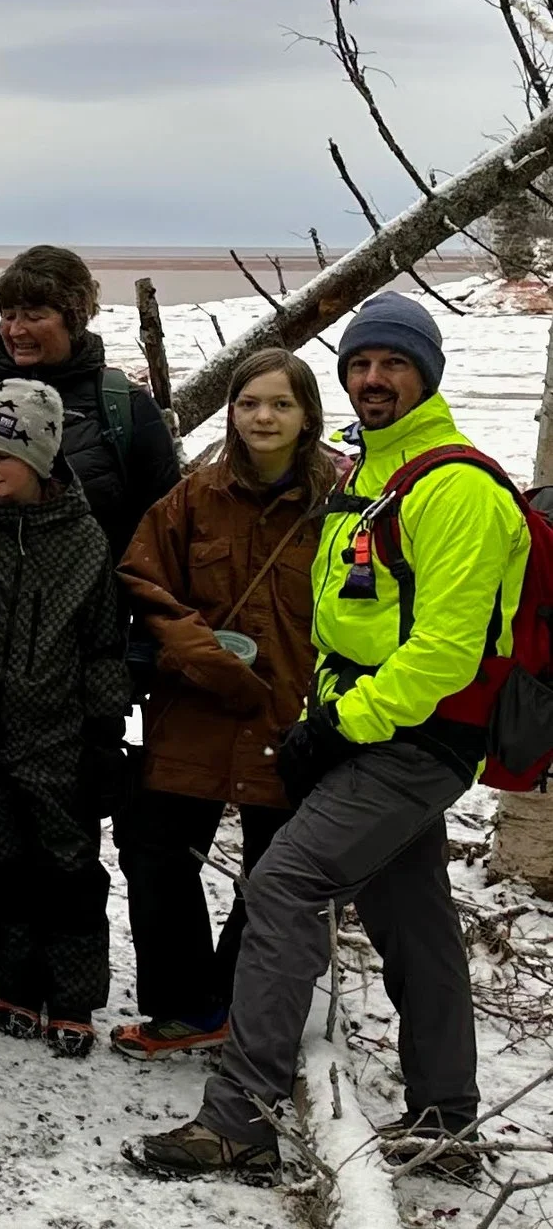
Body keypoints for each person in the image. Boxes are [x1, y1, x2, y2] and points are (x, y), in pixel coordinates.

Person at [136, 295, 517, 1180]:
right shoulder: (373, 476)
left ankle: (241, 1116)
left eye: (393, 363)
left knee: (285, 882)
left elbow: (447, 653)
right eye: (360, 363)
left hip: (413, 738)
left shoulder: (452, 485)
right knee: (413, 920)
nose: (374, 378)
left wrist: (339, 722)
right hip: (379, 729)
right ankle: (447, 1120)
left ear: (428, 372)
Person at [111, 349, 334, 1060]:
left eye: (280, 404)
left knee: (277, 871)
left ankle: (240, 1000)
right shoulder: (193, 497)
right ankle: (183, 1004)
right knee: (153, 847)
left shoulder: (343, 504)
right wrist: (207, 661)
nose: (263, 417)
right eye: (248, 403)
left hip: (292, 719)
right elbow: (143, 585)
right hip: (200, 708)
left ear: (307, 416)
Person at [0, 379, 126, 1058]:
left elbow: (101, 643)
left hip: (59, 736)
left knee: (68, 870)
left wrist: (104, 732)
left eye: (0, 455)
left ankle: (71, 995)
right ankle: (14, 983)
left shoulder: (86, 540)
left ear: (39, 458)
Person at [0, 243, 179, 569]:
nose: (16, 330)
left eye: (34, 316)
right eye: (8, 315)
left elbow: (163, 519)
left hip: (81, 610)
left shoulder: (125, 407)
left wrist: (111, 585)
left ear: (74, 318)